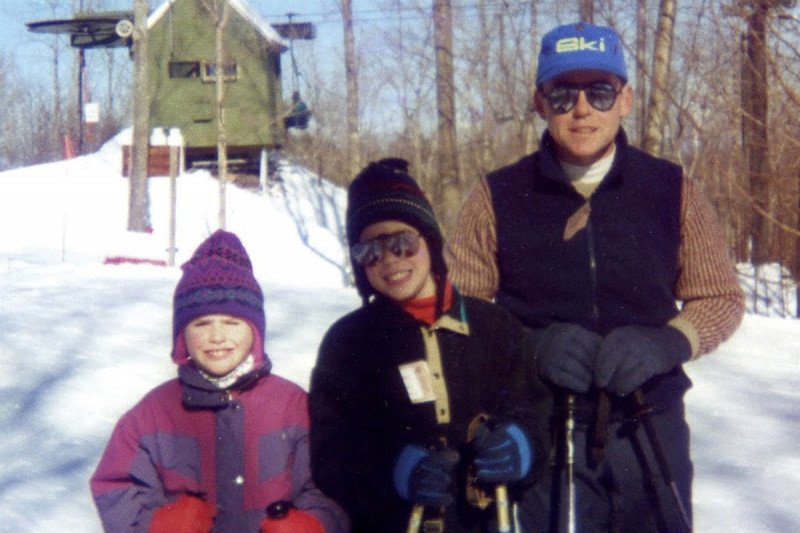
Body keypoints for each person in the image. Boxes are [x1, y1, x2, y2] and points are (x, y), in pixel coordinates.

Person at [446, 22, 745, 533]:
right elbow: (457, 310)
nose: (581, 108)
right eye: (563, 93)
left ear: (625, 99)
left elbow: (718, 296)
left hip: (650, 423)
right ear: (540, 103)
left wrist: (668, 342)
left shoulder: (673, 190)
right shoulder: (496, 196)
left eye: (599, 91)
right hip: (540, 426)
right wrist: (529, 347)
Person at [309, 158, 552, 532]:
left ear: (430, 242)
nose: (390, 260)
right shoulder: (349, 343)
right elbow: (331, 454)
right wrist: (395, 471)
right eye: (370, 251)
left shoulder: (493, 326)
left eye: (403, 243)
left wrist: (521, 445)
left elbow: (533, 410)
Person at [90, 230, 349, 533]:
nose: (216, 337)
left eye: (232, 322)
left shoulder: (293, 406)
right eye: (201, 324)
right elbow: (114, 485)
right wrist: (156, 524)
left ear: (255, 330)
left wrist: (314, 523)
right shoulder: (152, 414)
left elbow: (334, 485)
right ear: (181, 335)